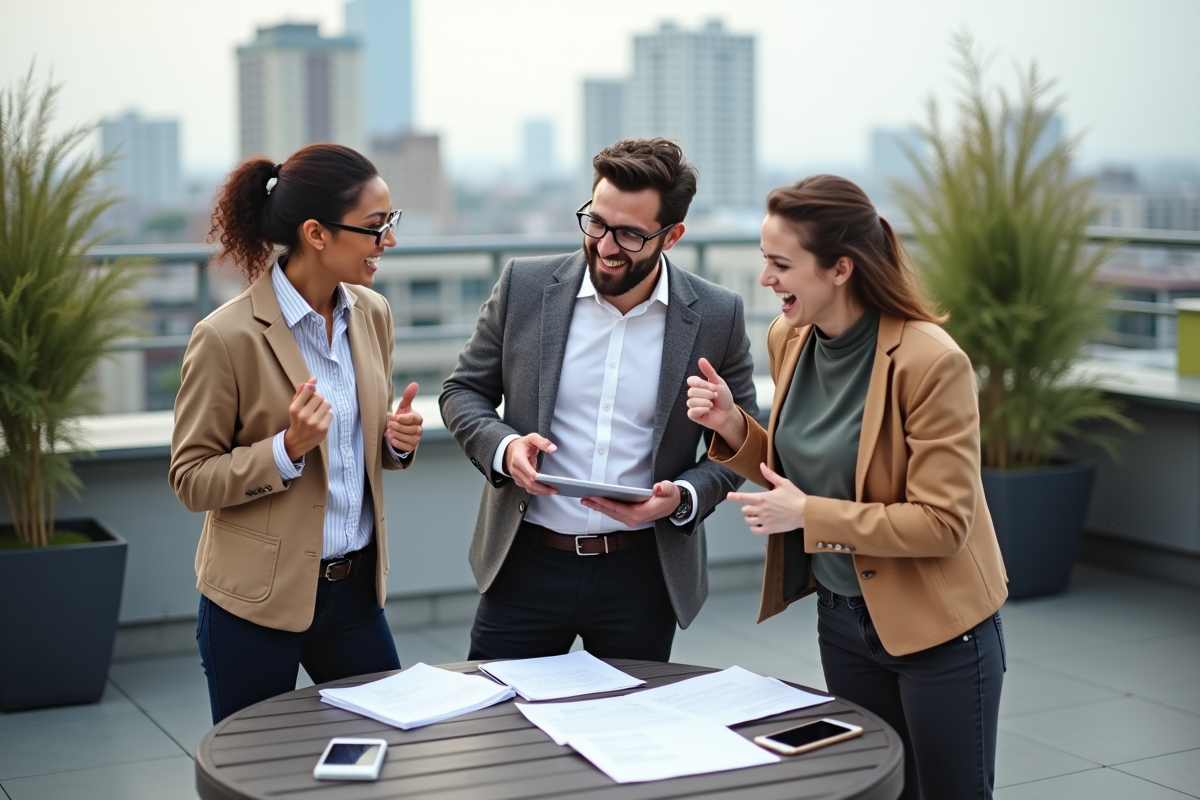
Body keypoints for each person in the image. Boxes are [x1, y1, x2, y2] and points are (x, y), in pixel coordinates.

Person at [685, 175, 1008, 800]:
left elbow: (944, 524)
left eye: (781, 264)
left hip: (940, 630)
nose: (765, 280)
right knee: (873, 790)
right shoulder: (790, 338)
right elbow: (807, 466)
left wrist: (809, 515)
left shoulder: (932, 362)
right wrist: (732, 426)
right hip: (843, 619)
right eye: (764, 261)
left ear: (841, 268)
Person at [440, 138, 758, 662]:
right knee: (501, 728)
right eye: (597, 223)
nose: (606, 246)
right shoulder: (524, 284)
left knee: (627, 735)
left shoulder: (718, 315)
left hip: (643, 575)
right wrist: (506, 448)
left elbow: (740, 442)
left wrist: (681, 497)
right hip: (525, 563)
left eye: (631, 234)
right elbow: (463, 391)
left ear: (672, 236)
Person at [169, 143, 424, 723]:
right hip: (253, 604)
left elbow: (358, 452)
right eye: (374, 227)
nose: (388, 241)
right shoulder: (225, 337)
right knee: (257, 771)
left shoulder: (373, 313)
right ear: (315, 233)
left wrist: (392, 442)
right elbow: (189, 479)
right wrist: (285, 450)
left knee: (385, 749)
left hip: (355, 594)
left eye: (390, 223)